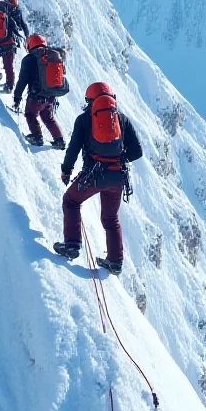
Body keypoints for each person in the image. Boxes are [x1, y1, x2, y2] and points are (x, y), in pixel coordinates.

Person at [53, 82, 143, 274]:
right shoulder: (122, 119)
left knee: (71, 201)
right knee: (111, 218)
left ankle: (72, 245)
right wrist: (119, 159)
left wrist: (66, 171)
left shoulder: (84, 120)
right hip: (117, 177)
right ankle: (115, 262)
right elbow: (137, 152)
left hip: (93, 175)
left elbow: (73, 149)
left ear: (89, 100)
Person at [13, 35, 68, 149]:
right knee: (48, 118)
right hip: (51, 96)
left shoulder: (28, 60)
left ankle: (37, 137)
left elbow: (22, 80)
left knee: (30, 114)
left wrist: (17, 97)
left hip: (36, 97)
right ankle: (59, 140)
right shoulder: (51, 56)